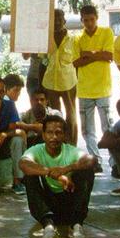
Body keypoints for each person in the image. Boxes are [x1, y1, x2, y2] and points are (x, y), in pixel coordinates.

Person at [19, 114, 96, 238]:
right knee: (30, 175)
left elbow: (91, 160)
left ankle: (76, 225)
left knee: (86, 170)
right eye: (49, 132)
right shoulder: (36, 150)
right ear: (43, 135)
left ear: (64, 135)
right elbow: (23, 164)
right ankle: (48, 227)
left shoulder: (71, 151)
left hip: (70, 205)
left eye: (58, 133)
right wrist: (51, 173)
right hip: (47, 206)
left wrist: (66, 169)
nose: (53, 137)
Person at [73, 4, 116, 166]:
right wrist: (98, 54)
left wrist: (88, 54)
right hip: (84, 90)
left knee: (108, 128)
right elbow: (75, 62)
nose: (89, 23)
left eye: (91, 19)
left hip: (103, 88)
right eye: (85, 20)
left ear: (97, 18)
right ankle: (95, 160)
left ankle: (114, 162)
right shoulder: (77, 38)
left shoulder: (106, 32)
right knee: (87, 130)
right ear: (81, 20)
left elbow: (109, 55)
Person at [42, 10, 78, 145]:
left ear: (64, 21)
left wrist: (76, 82)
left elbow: (77, 61)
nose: (57, 22)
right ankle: (57, 143)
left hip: (68, 81)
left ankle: (71, 144)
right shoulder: (46, 39)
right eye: (54, 20)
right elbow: (43, 62)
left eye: (59, 19)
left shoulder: (73, 39)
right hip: (50, 81)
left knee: (71, 113)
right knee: (55, 114)